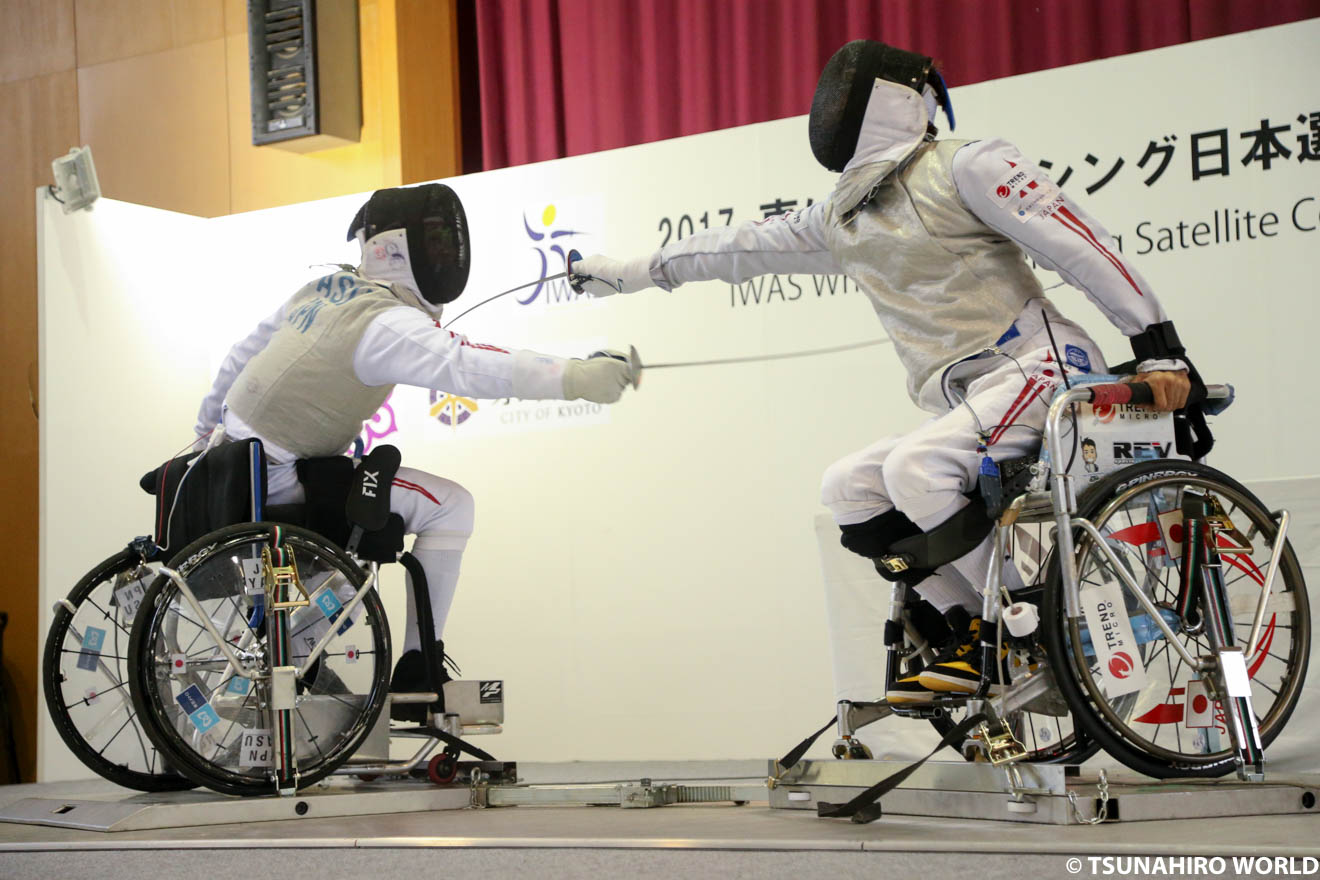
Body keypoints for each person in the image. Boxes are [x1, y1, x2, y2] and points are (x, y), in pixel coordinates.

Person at [569, 40, 1202, 703]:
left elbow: (1079, 244)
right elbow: (730, 247)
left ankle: (1034, 633)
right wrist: (624, 273)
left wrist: (1156, 344)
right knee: (849, 487)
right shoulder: (841, 216)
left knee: (917, 469)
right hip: (972, 396)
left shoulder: (968, 165)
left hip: (1041, 368)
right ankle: (969, 630)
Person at [195, 183, 638, 717]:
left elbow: (240, 356)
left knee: (355, 537)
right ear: (401, 248)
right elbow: (467, 364)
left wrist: (203, 436)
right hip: (284, 478)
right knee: (452, 505)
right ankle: (415, 667)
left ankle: (297, 652)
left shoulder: (324, 288)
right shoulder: (383, 323)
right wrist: (576, 376)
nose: (446, 254)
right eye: (434, 242)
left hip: (226, 466)